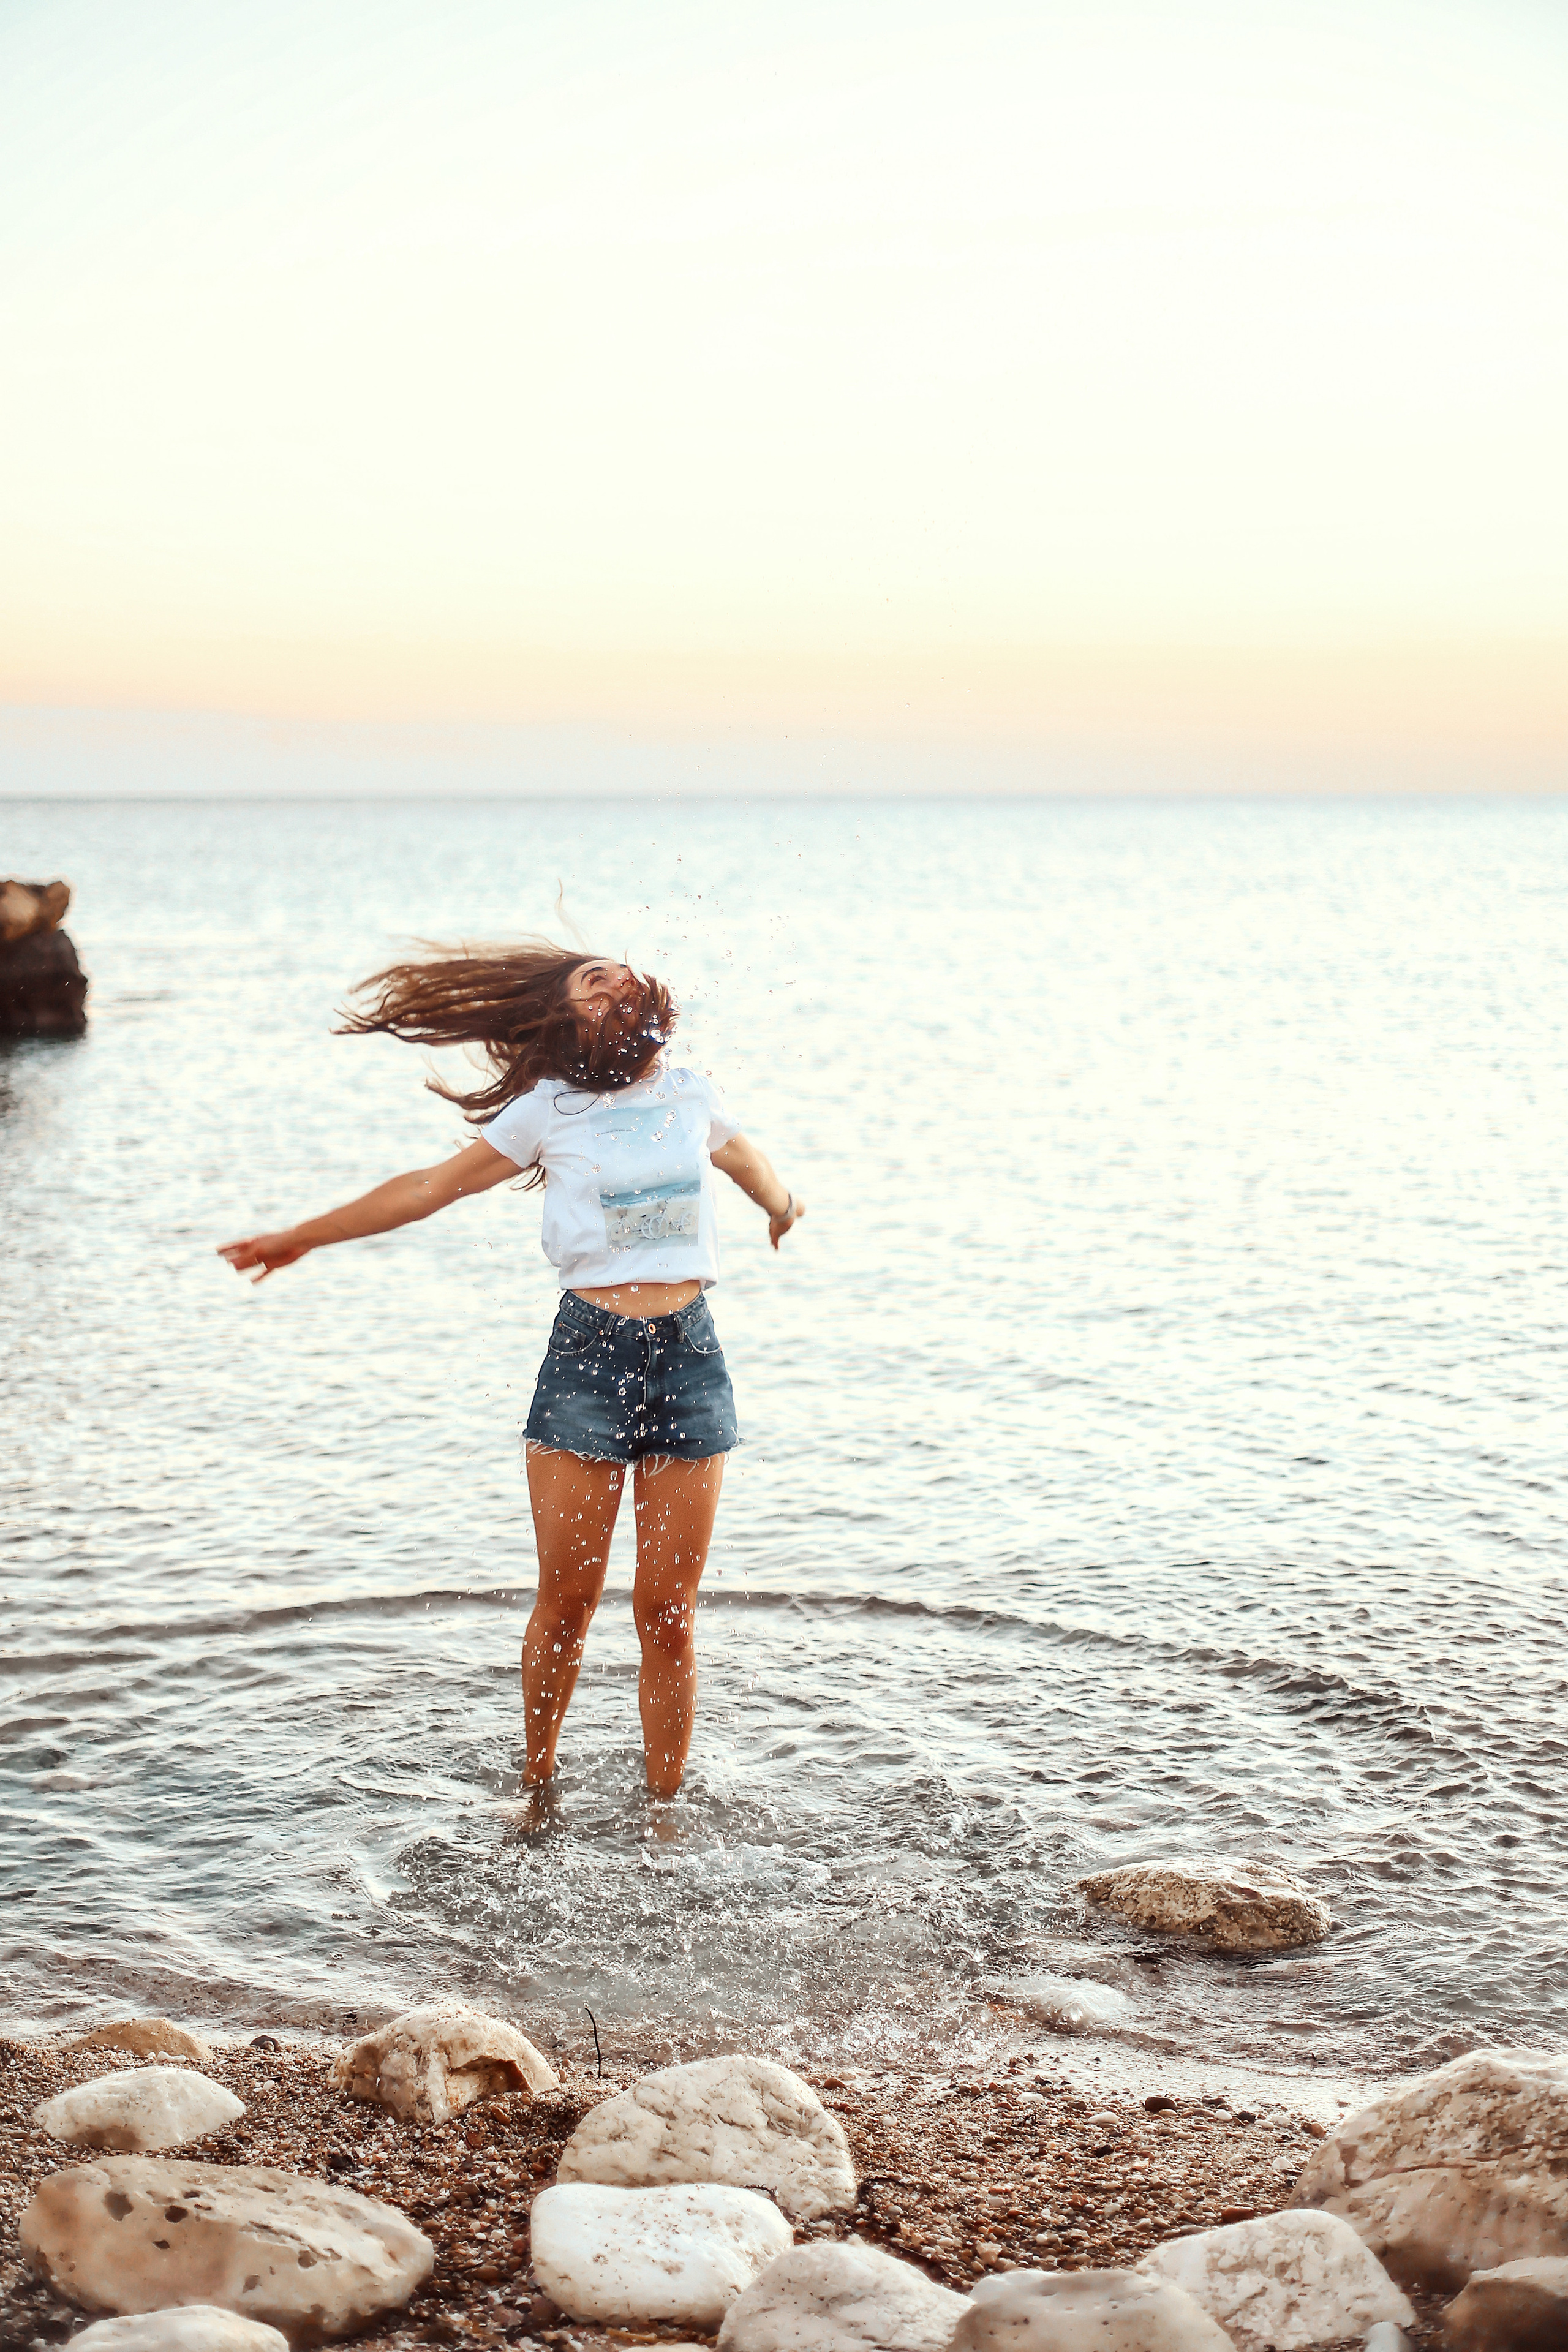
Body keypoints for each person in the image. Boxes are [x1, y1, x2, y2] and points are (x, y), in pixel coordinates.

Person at [219, 941, 803, 1798]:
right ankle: (536, 1789)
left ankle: (666, 1812)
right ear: (566, 1020)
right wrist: (301, 1234)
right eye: (589, 980)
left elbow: (747, 1163)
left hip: (691, 1357)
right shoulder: (546, 1110)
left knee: (667, 1615)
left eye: (620, 974)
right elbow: (429, 1187)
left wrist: (784, 1210)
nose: (614, 981)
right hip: (588, 1359)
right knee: (567, 1603)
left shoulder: (692, 1095)